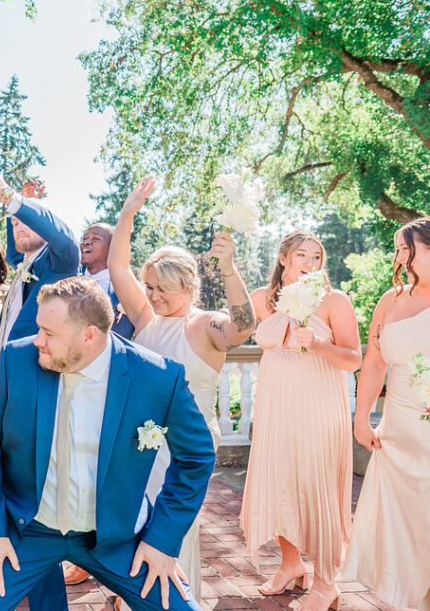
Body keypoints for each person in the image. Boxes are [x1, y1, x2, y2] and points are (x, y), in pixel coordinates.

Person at [0, 276, 216, 610]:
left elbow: (196, 457)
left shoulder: (157, 377)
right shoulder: (16, 361)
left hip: (118, 537)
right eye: (39, 328)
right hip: (27, 530)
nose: (38, 340)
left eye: (49, 333)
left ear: (89, 335)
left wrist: (162, 541)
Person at [104, 175, 255, 594]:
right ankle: (136, 592)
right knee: (135, 518)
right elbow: (117, 267)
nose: (151, 296)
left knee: (172, 526)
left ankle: (173, 597)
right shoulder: (147, 319)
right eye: (149, 286)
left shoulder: (206, 325)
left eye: (162, 289)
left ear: (189, 286)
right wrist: (128, 212)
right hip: (139, 440)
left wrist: (228, 268)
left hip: (185, 446)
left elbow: (244, 327)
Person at [240, 231, 361, 611]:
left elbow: (354, 358)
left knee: (318, 486)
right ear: (283, 259)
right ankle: (291, 565)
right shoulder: (263, 299)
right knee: (281, 483)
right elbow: (232, 324)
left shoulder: (334, 300)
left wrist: (319, 345)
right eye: (301, 255)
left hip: (319, 406)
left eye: (316, 256)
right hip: (277, 406)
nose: (310, 263)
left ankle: (327, 581)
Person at [0, 172, 80, 607]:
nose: (18, 229)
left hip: (36, 400)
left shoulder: (58, 265)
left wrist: (14, 198)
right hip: (4, 393)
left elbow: (61, 237)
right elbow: (19, 230)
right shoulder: (25, 268)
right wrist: (16, 213)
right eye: (14, 224)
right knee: (10, 500)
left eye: (26, 223)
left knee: (35, 509)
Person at [343, 217, 430, 611]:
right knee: (408, 527)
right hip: (398, 434)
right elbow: (375, 361)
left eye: (406, 248)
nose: (397, 257)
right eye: (397, 248)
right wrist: (362, 418)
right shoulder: (390, 300)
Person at [77, 221, 134, 339]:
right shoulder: (66, 280)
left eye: (96, 239)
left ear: (112, 247)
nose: (86, 242)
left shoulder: (128, 291)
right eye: (85, 238)